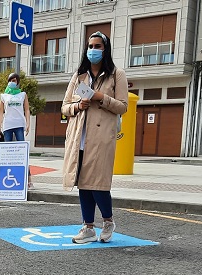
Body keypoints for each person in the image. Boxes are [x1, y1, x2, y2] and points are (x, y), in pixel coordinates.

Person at [61, 31, 128, 244]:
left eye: (97, 46)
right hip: (78, 137)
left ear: (105, 49)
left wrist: (102, 98)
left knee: (98, 184)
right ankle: (88, 227)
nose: (93, 50)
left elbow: (123, 107)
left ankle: (108, 222)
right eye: (90, 46)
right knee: (83, 183)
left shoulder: (117, 74)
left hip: (101, 138)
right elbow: (64, 107)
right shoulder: (79, 76)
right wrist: (77, 106)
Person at [0, 72, 33, 187]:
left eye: (14, 80)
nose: (12, 82)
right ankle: (4, 179)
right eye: (11, 80)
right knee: (7, 154)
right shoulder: (4, 96)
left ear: (17, 82)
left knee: (22, 152)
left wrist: (28, 123)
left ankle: (28, 179)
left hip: (19, 124)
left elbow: (27, 110)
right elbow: (1, 112)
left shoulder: (22, 94)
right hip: (7, 125)